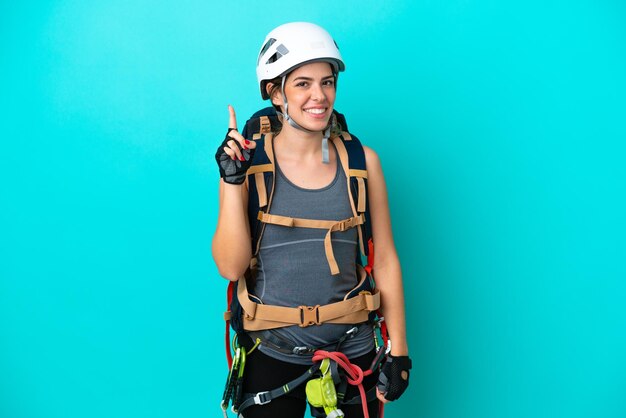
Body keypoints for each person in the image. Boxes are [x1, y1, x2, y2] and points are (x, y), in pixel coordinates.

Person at [213, 22, 411, 418]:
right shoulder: (245, 163)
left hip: (352, 350)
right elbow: (231, 266)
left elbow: (384, 257)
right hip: (271, 349)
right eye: (302, 83)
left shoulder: (363, 163)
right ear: (274, 91)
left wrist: (400, 351)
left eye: (327, 82)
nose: (319, 96)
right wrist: (232, 182)